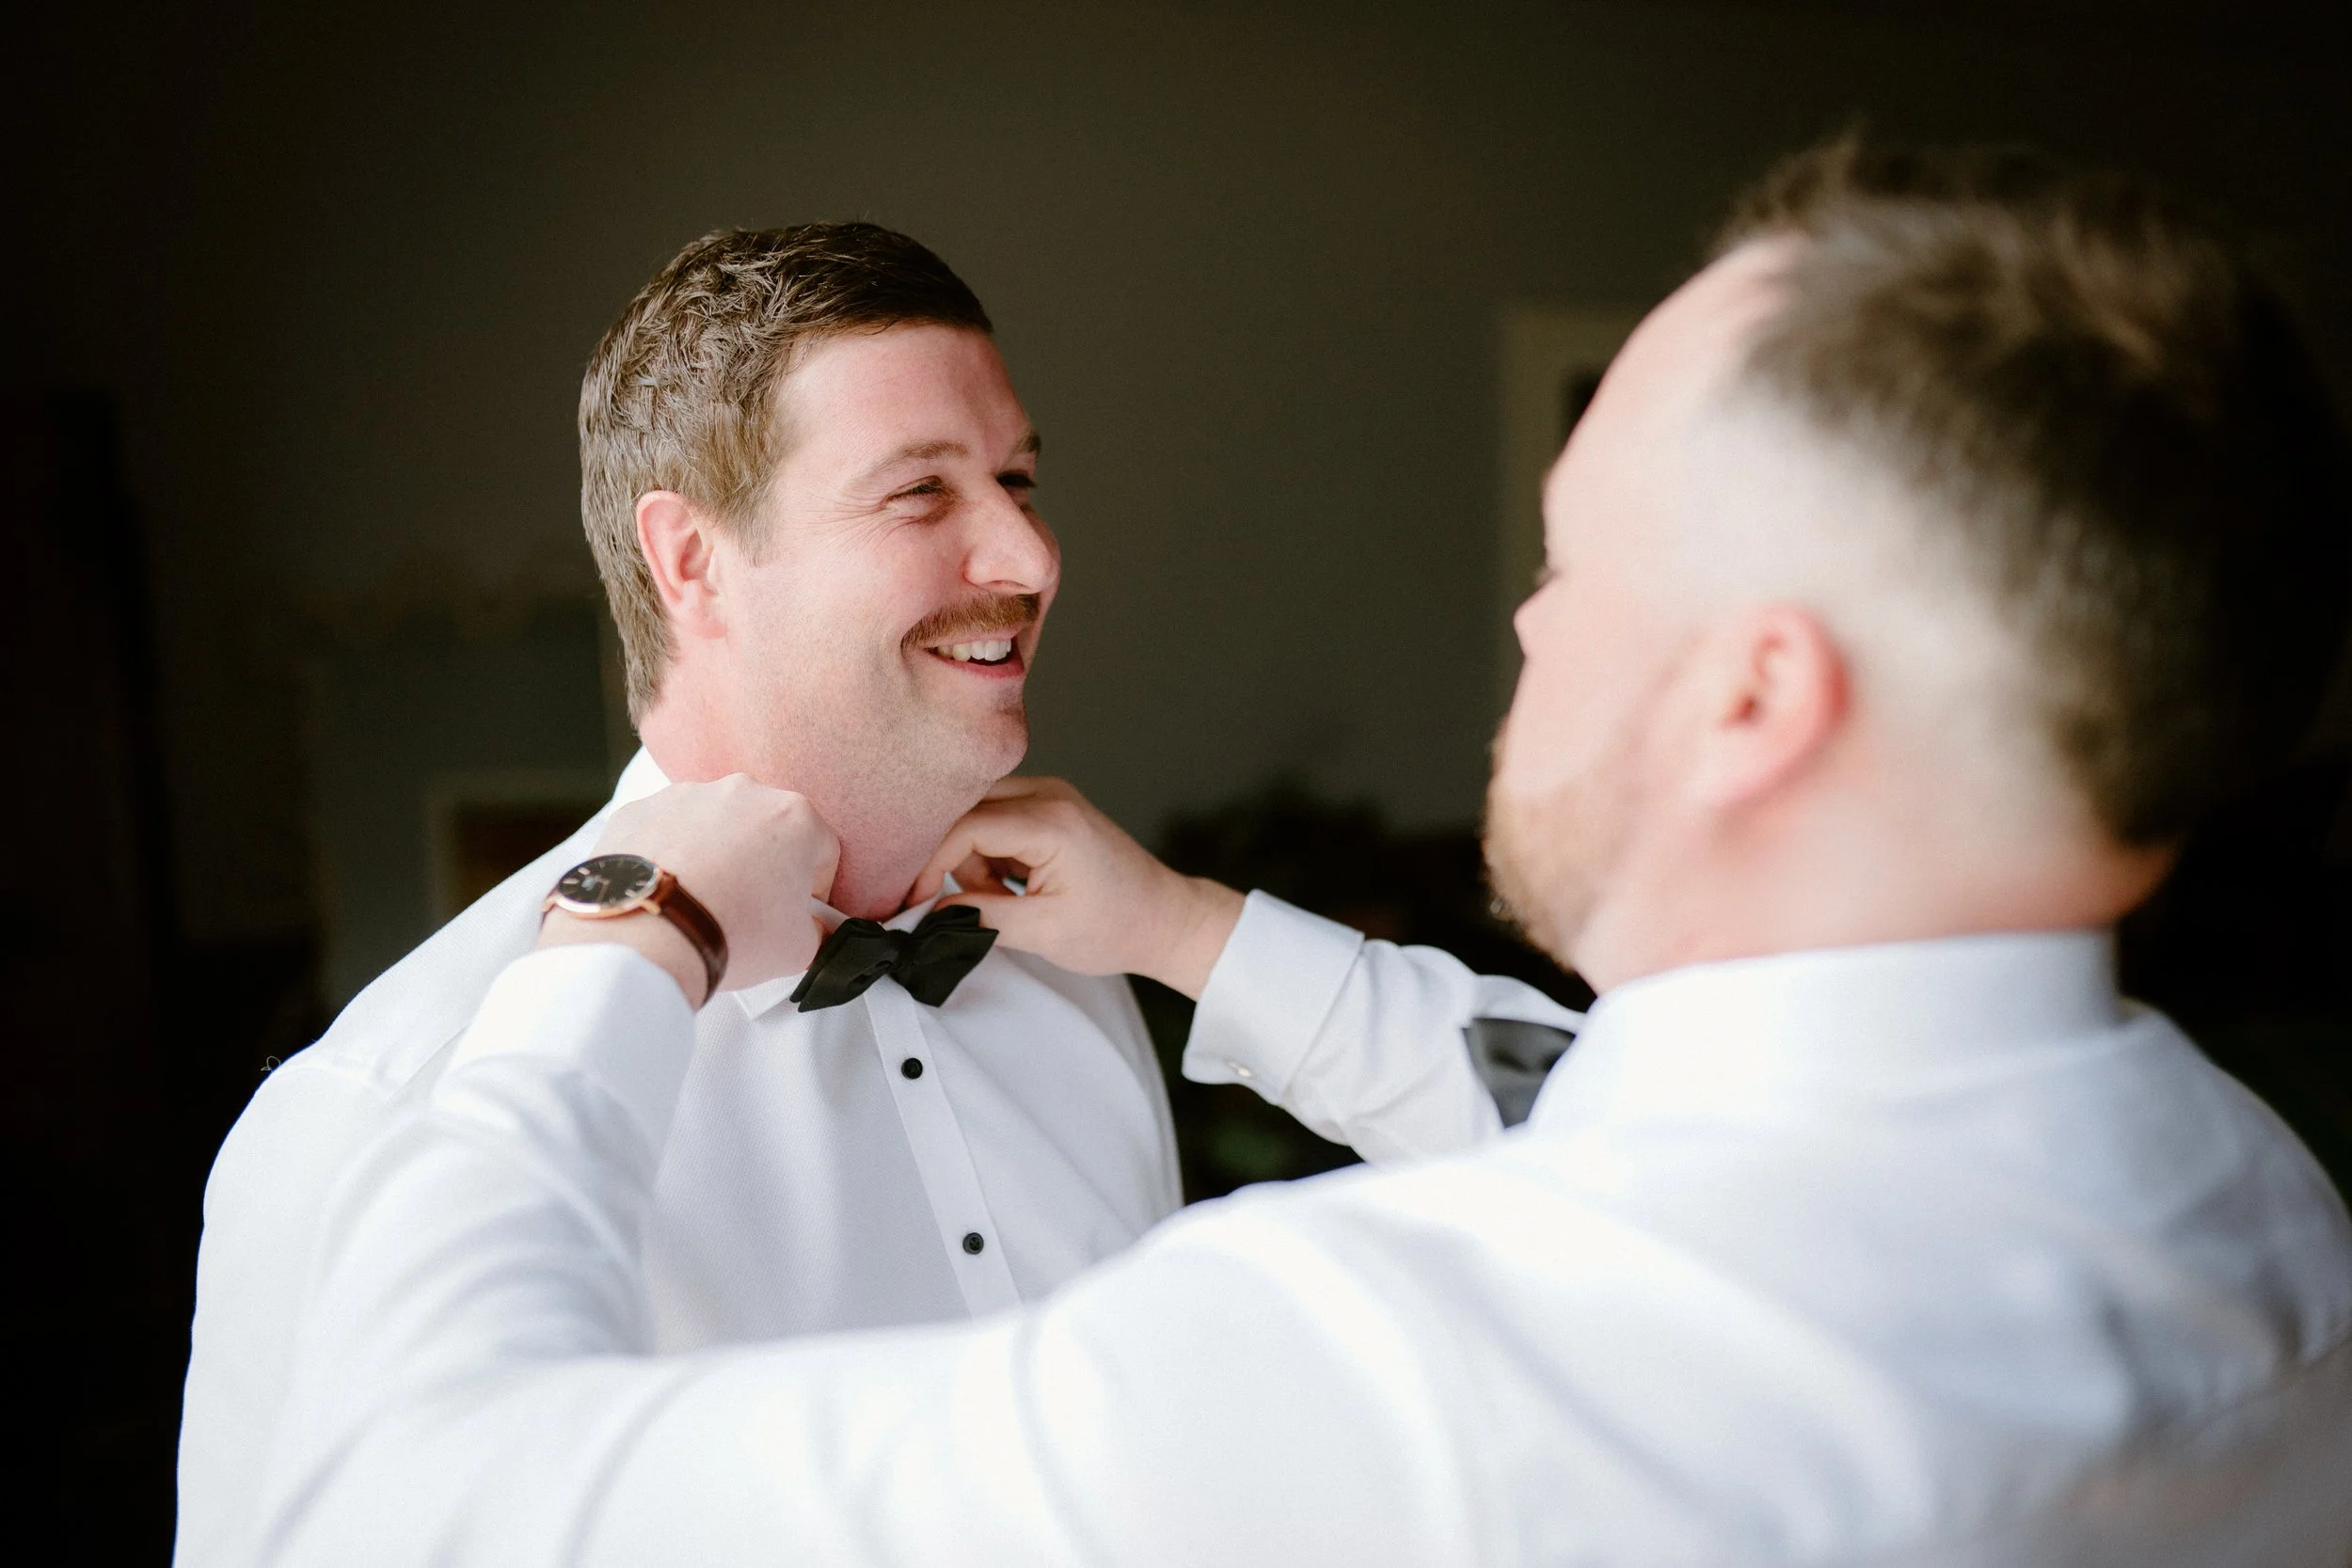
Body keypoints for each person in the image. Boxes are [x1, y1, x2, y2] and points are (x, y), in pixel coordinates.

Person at [257, 144, 2352, 1564]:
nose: (1524, 622)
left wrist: (612, 947)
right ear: (690, 561)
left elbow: (406, 1496)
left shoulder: (1408, 1360)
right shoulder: (2260, 1197)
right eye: (931, 488)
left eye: (1575, 560)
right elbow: (1593, 1118)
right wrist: (1190, 934)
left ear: (1751, 698)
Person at [180, 223, 1569, 1567]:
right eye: (922, 491)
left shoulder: (1080, 963)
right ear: (693, 562)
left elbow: (1618, 1146)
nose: (1030, 560)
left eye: (1019, 481)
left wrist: (1186, 927)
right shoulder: (380, 1102)